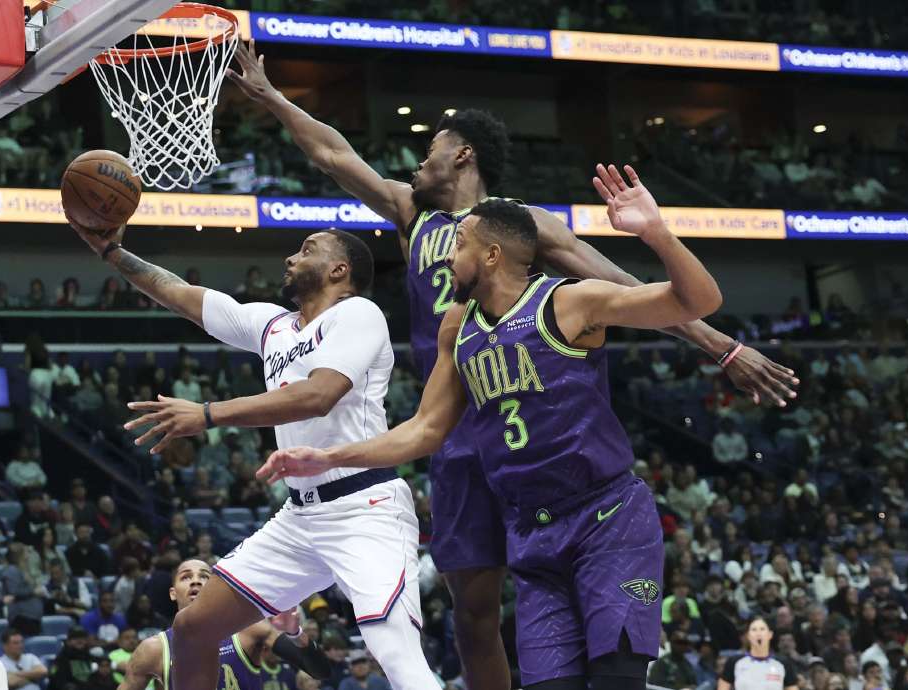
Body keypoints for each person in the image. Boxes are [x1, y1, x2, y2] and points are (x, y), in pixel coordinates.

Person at [227, 39, 798, 690]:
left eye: (431, 146)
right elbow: (333, 154)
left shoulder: (521, 226)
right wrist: (272, 98)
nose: (418, 158)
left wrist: (721, 345)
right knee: (473, 612)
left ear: (462, 154)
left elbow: (621, 282)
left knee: (573, 592)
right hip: (458, 418)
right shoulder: (414, 216)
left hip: (534, 411)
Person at [257, 172, 724, 690]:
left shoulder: (570, 303)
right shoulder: (458, 326)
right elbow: (424, 430)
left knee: (615, 680)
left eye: (458, 246)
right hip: (531, 531)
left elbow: (697, 301)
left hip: (604, 517)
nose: (444, 258)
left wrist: (656, 232)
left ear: (493, 255)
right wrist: (329, 458)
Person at [73, 189, 428, 689]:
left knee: (396, 654)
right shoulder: (272, 326)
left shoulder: (358, 314)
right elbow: (181, 295)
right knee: (193, 627)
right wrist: (112, 252)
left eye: (307, 248)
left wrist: (208, 413)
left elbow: (319, 394)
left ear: (340, 270)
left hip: (363, 506)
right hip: (301, 516)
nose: (291, 256)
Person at [120, 559, 330, 690]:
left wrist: (295, 633)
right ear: (173, 593)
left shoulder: (248, 629)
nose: (195, 581)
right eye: (186, 577)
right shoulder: (154, 649)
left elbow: (321, 672)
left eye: (204, 576)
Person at [718, 618, 798, 690]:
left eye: (762, 629)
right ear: (748, 636)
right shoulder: (734, 662)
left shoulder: (783, 663)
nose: (758, 633)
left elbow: (792, 687)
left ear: (770, 634)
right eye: (754, 630)